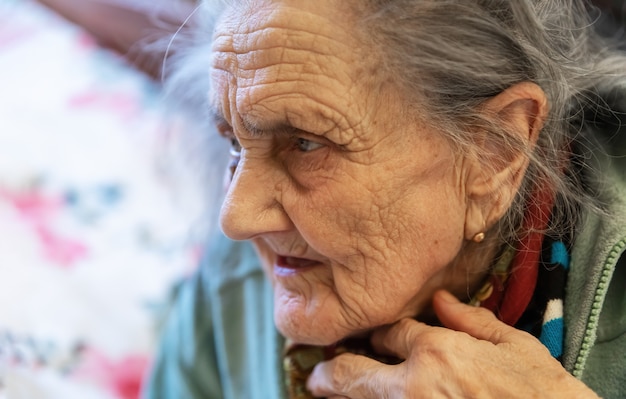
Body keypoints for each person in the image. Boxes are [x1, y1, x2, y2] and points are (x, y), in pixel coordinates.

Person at [143, 0, 626, 398]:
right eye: (234, 141)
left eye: (306, 143)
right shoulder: (247, 265)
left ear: (493, 153)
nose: (236, 217)